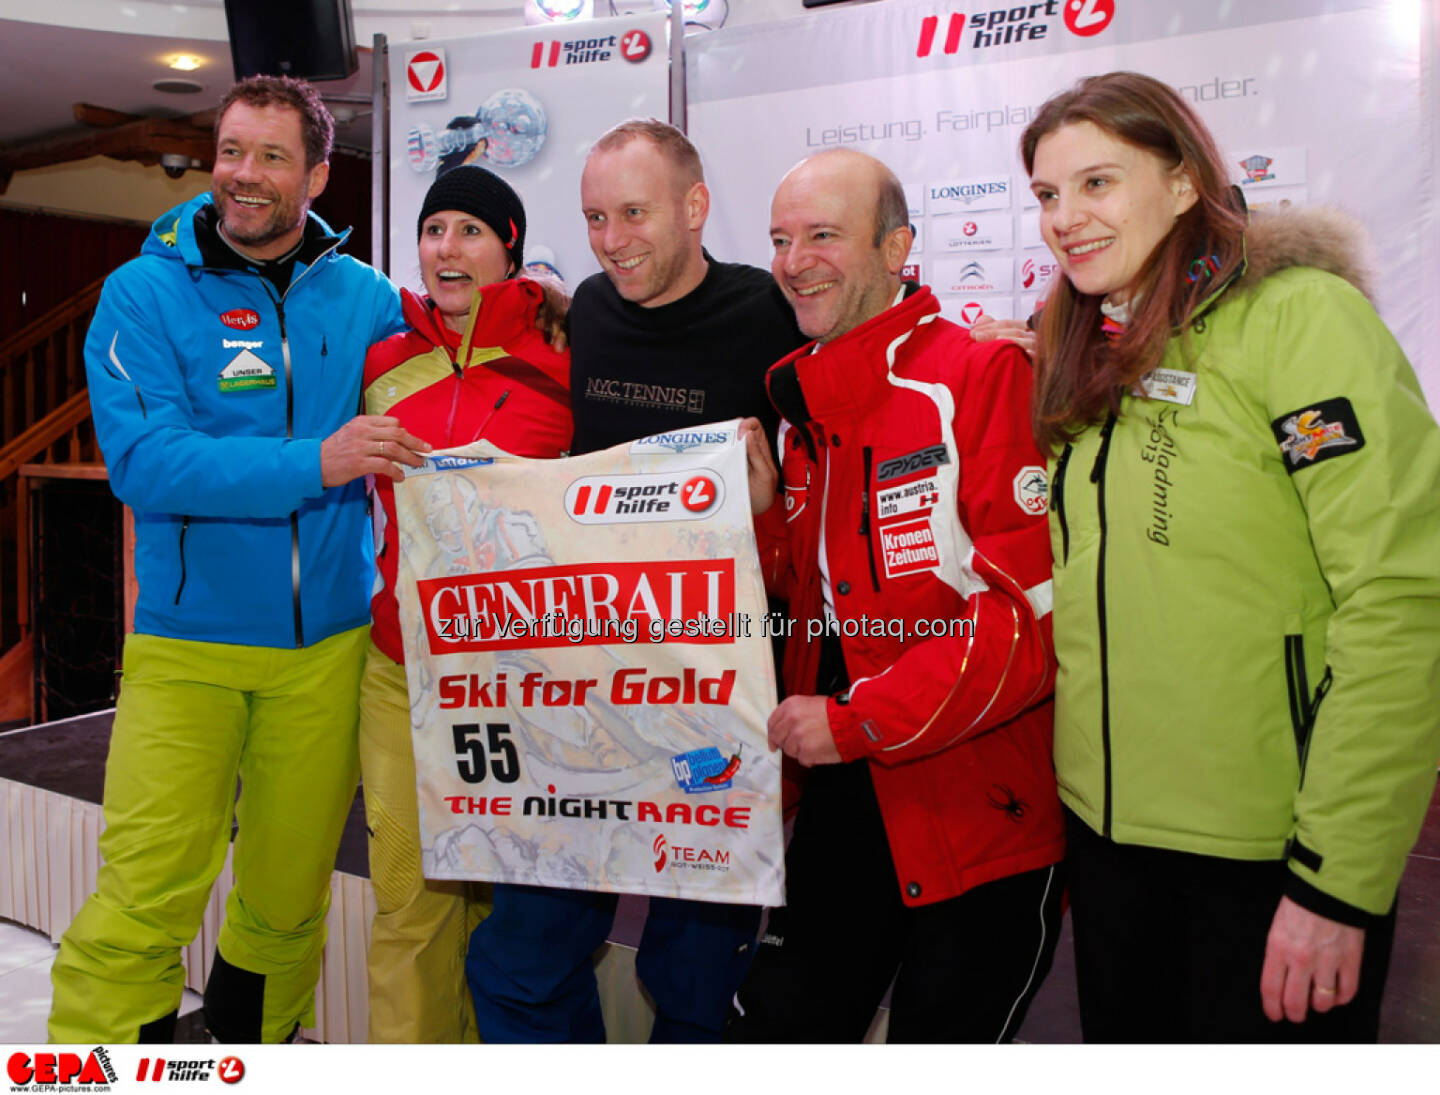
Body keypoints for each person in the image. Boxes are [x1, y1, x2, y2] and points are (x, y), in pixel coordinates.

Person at [1020, 71, 1440, 1041]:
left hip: (1270, 857)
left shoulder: (1298, 320)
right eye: (1046, 194)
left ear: (1181, 181)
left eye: (1097, 183)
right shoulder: (1084, 347)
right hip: (1109, 841)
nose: (1064, 218)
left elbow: (1400, 601)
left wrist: (1337, 884)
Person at [49, 75, 429, 1044]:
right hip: (189, 647)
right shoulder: (143, 293)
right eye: (229, 152)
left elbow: (457, 367)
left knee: (286, 899)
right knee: (145, 891)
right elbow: (146, 462)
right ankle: (100, 1063)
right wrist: (318, 460)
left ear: (315, 173)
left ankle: (245, 1054)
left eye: (269, 157)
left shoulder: (368, 297)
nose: (243, 176)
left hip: (328, 653)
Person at [463, 118, 805, 1043]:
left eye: (634, 212)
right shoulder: (591, 308)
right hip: (591, 681)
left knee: (693, 978)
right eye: (595, 217)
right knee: (521, 952)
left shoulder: (771, 315)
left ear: (695, 208)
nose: (612, 238)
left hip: (719, 694)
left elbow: (858, 408)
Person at [724, 148, 1065, 1043]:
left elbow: (1025, 619)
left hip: (983, 808)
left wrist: (855, 718)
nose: (795, 260)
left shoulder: (980, 377)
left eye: (823, 234)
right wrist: (764, 519)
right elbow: (814, 605)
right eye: (780, 239)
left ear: (896, 246)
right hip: (847, 796)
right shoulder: (808, 416)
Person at [359, 165, 572, 1043]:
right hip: (399, 670)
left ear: (509, 244)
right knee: (409, 899)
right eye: (434, 228)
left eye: (470, 231)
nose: (447, 248)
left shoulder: (567, 357)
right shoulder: (383, 360)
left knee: (506, 913)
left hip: (522, 683)